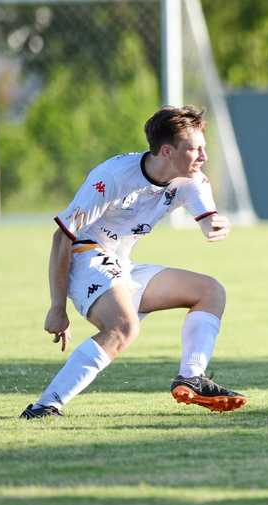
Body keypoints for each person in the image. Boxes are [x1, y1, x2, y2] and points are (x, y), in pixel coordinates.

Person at [20, 105, 244, 419]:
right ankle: (44, 407)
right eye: (195, 149)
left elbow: (208, 221)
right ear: (167, 151)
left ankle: (192, 378)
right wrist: (57, 307)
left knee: (211, 291)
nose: (204, 157)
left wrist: (217, 225)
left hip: (120, 263)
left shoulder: (190, 178)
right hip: (85, 257)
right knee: (124, 328)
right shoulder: (111, 178)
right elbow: (62, 238)